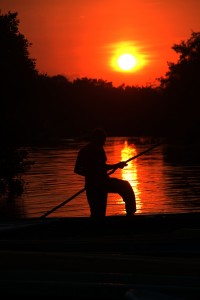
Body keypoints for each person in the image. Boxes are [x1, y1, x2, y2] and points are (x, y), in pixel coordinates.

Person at [74, 128, 136, 218]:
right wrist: (92, 175)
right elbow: (77, 169)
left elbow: (102, 166)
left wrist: (116, 166)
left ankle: (130, 214)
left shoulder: (99, 148)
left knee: (125, 186)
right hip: (94, 185)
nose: (104, 143)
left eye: (104, 140)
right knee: (98, 213)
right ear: (96, 139)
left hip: (103, 182)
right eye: (102, 140)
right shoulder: (85, 151)